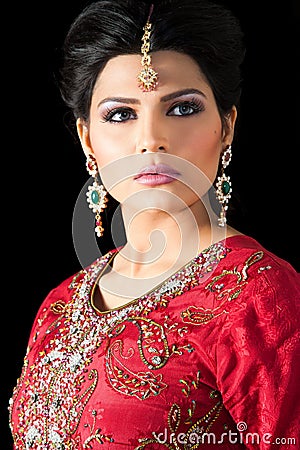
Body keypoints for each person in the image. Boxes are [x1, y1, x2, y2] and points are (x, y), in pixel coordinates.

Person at [8, 0, 300, 448]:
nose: (151, 139)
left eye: (182, 108)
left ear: (227, 126)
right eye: (121, 114)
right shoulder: (60, 304)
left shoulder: (260, 296)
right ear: (87, 136)